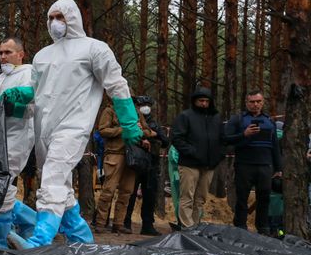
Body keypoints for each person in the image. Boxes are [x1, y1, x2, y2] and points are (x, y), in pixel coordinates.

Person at [6, 0, 142, 248]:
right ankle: (82, 239)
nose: (55, 22)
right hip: (44, 129)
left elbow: (116, 85)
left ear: (73, 18)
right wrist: (13, 99)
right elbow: (35, 90)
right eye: (51, 18)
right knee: (60, 185)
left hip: (73, 127)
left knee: (53, 180)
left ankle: (39, 240)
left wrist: (130, 123)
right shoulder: (43, 55)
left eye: (60, 17)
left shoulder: (94, 49)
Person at [0, 37, 38, 247]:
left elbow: (32, 109)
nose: (3, 56)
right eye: (1, 52)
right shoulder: (2, 78)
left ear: (20, 54)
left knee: (3, 184)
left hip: (18, 137)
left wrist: (2, 103)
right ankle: (29, 223)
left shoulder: (29, 73)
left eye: (8, 52)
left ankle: (0, 240)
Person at [223, 90, 282, 235]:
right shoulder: (237, 119)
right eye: (252, 102)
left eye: (258, 101)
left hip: (265, 166)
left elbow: (275, 146)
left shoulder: (270, 121)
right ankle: (240, 227)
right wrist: (243, 134)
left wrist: (279, 168)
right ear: (246, 103)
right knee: (242, 197)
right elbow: (225, 139)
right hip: (244, 164)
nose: (255, 104)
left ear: (263, 102)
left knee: (264, 197)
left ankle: (263, 228)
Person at [93, 97, 154, 234]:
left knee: (127, 192)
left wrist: (141, 133)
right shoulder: (109, 111)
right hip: (115, 153)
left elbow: (148, 131)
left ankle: (118, 223)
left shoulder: (136, 113)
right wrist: (123, 129)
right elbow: (102, 130)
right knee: (108, 190)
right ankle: (100, 222)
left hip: (133, 155)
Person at [171, 87, 224, 229]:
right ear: (195, 101)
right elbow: (177, 138)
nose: (204, 104)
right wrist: (192, 152)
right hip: (189, 164)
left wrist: (219, 155)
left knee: (200, 198)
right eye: (201, 100)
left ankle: (195, 225)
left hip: (209, 165)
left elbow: (221, 138)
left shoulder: (215, 118)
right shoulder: (185, 116)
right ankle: (186, 226)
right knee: (187, 196)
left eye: (207, 101)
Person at [123, 95, 170, 235]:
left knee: (150, 195)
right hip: (135, 163)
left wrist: (154, 134)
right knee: (130, 194)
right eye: (142, 104)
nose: (145, 107)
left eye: (148, 104)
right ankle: (125, 222)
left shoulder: (155, 124)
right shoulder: (131, 121)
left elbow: (166, 141)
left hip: (151, 164)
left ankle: (148, 225)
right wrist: (143, 134)